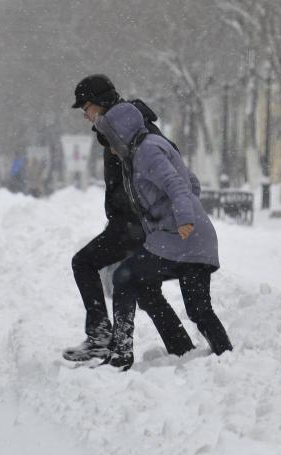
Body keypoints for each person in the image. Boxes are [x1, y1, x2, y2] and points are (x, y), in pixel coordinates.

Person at [62, 75, 195, 362]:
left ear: (101, 103)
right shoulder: (120, 129)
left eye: (86, 108)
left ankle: (104, 338)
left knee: (84, 263)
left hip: (135, 224)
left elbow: (172, 170)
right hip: (133, 222)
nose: (85, 116)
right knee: (144, 289)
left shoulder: (133, 131)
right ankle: (181, 349)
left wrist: (163, 214)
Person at [93, 102, 233, 370]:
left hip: (182, 237)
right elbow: (192, 181)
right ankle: (217, 355)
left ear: (121, 134)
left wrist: (184, 218)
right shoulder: (146, 149)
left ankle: (121, 353)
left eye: (110, 139)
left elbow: (176, 184)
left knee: (124, 277)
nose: (109, 147)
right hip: (193, 239)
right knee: (195, 308)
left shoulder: (147, 152)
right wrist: (182, 217)